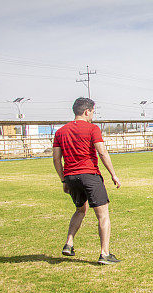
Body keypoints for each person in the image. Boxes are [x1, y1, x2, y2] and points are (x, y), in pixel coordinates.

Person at [52, 98, 122, 264]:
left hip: (71, 178)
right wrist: (113, 174)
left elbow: (56, 159)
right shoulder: (92, 129)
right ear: (86, 111)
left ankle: (69, 243)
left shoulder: (60, 132)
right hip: (89, 175)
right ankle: (104, 254)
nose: (92, 115)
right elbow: (102, 153)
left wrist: (64, 180)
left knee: (80, 210)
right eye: (92, 112)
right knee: (103, 215)